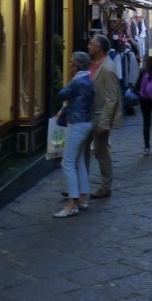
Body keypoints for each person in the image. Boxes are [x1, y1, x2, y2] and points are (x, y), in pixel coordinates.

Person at [54, 51, 94, 218]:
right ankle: (83, 197)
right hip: (86, 122)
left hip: (76, 124)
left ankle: (72, 203)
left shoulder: (77, 81)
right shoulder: (88, 80)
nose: (69, 66)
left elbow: (61, 94)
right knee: (78, 162)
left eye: (71, 63)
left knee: (67, 163)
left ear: (76, 66)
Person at [86, 33, 124, 198]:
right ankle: (80, 186)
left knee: (101, 153)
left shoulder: (107, 68)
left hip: (99, 116)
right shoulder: (91, 65)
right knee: (82, 151)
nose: (88, 46)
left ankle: (106, 186)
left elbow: (111, 98)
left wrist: (104, 123)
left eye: (91, 44)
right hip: (87, 115)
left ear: (98, 48)